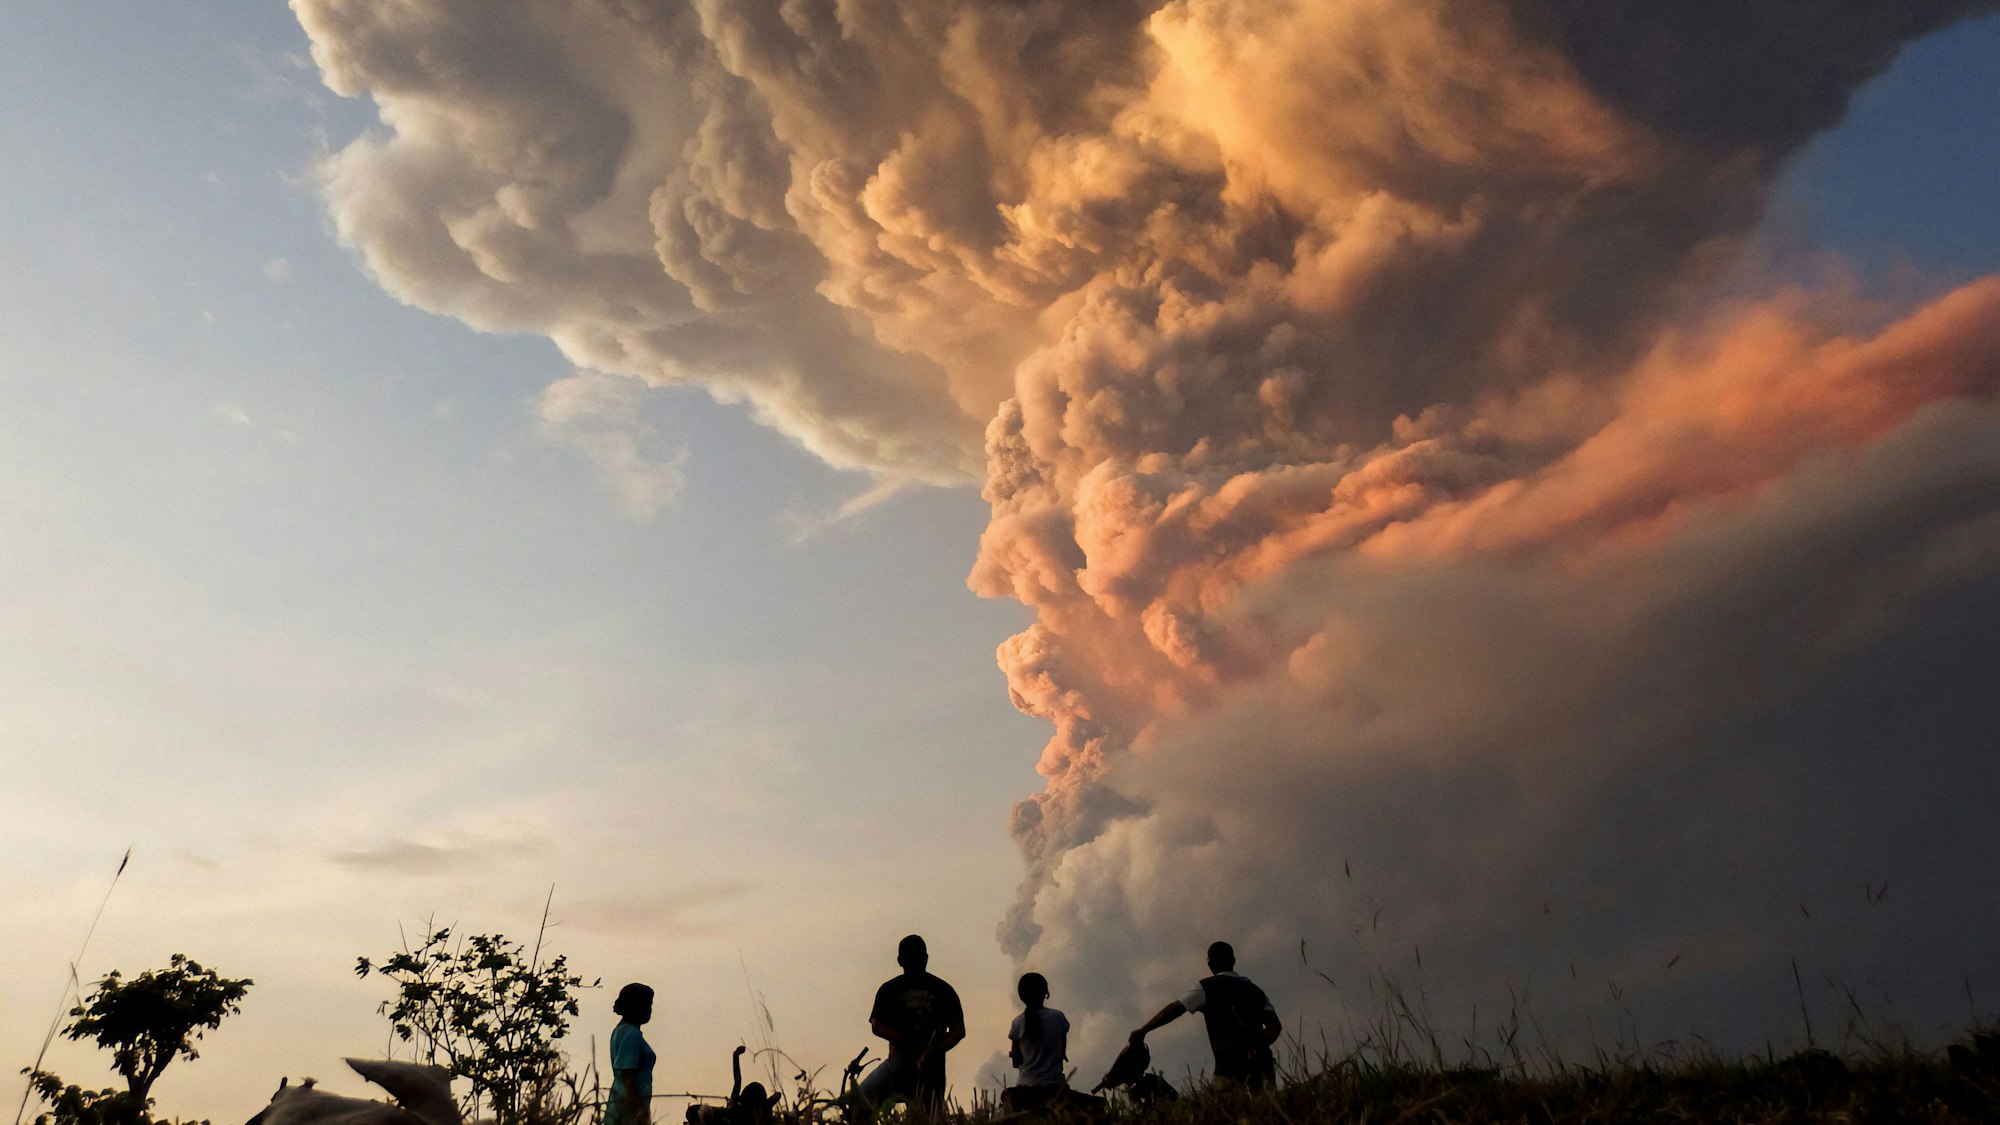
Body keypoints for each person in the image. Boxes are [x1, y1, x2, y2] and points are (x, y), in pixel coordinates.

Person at [1128, 942, 1281, 1090]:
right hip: (1262, 1066)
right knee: (1267, 1110)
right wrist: (1259, 1047)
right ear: (1233, 961)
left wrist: (1143, 1030)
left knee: (1222, 1112)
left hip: (1228, 1071)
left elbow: (1174, 1009)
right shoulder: (1255, 990)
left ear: (1210, 963)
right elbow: (1275, 1026)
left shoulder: (1206, 987)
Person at [860, 934, 965, 1113]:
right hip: (927, 1066)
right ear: (926, 958)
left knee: (859, 1103)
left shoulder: (890, 988)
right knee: (930, 1117)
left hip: (905, 1064)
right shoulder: (943, 989)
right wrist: (929, 1048)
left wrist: (923, 1048)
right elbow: (958, 1031)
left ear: (899, 961)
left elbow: (877, 1026)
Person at [1002, 972, 1070, 1112]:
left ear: (1022, 996)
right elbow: (1062, 1052)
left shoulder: (1017, 1023)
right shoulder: (1058, 1018)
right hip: (1055, 1086)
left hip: (1025, 1089)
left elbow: (1017, 1063)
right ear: (1046, 993)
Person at [607, 983, 658, 1125]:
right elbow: (627, 1074)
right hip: (628, 1111)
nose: (649, 1010)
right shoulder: (631, 1035)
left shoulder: (620, 1031)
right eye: (647, 1005)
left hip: (618, 1104)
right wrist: (639, 1109)